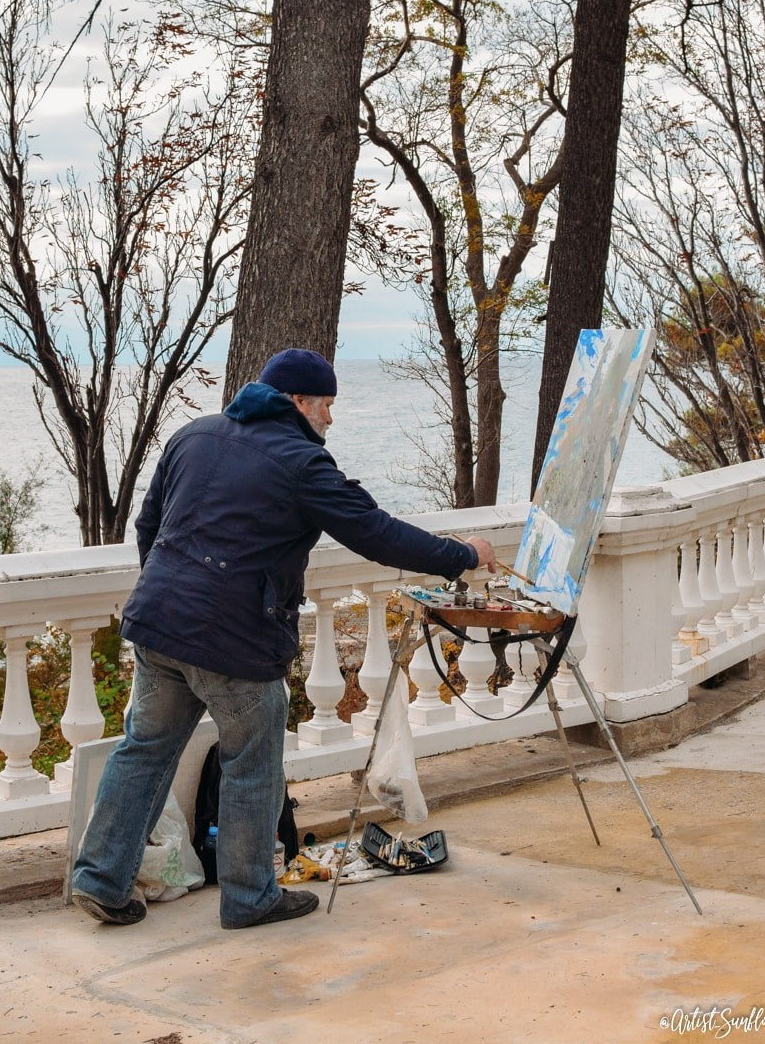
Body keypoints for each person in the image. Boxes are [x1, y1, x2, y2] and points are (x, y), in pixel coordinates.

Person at [72, 348, 496, 930]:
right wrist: (462, 555)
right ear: (298, 401)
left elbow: (150, 527)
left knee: (143, 751)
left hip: (159, 624)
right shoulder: (301, 463)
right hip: (235, 641)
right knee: (252, 766)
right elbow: (375, 532)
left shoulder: (193, 435)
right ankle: (250, 897)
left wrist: (176, 598)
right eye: (325, 405)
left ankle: (100, 880)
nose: (330, 418)